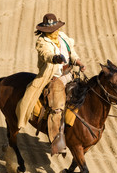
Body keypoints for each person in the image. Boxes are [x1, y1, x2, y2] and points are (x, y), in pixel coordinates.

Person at [16, 13, 85, 155]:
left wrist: (78, 61)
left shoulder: (62, 37)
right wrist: (55, 58)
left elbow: (72, 52)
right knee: (57, 108)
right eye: (51, 29)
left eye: (55, 28)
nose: (54, 31)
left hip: (70, 73)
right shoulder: (42, 41)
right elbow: (45, 55)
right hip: (54, 77)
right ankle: (56, 141)